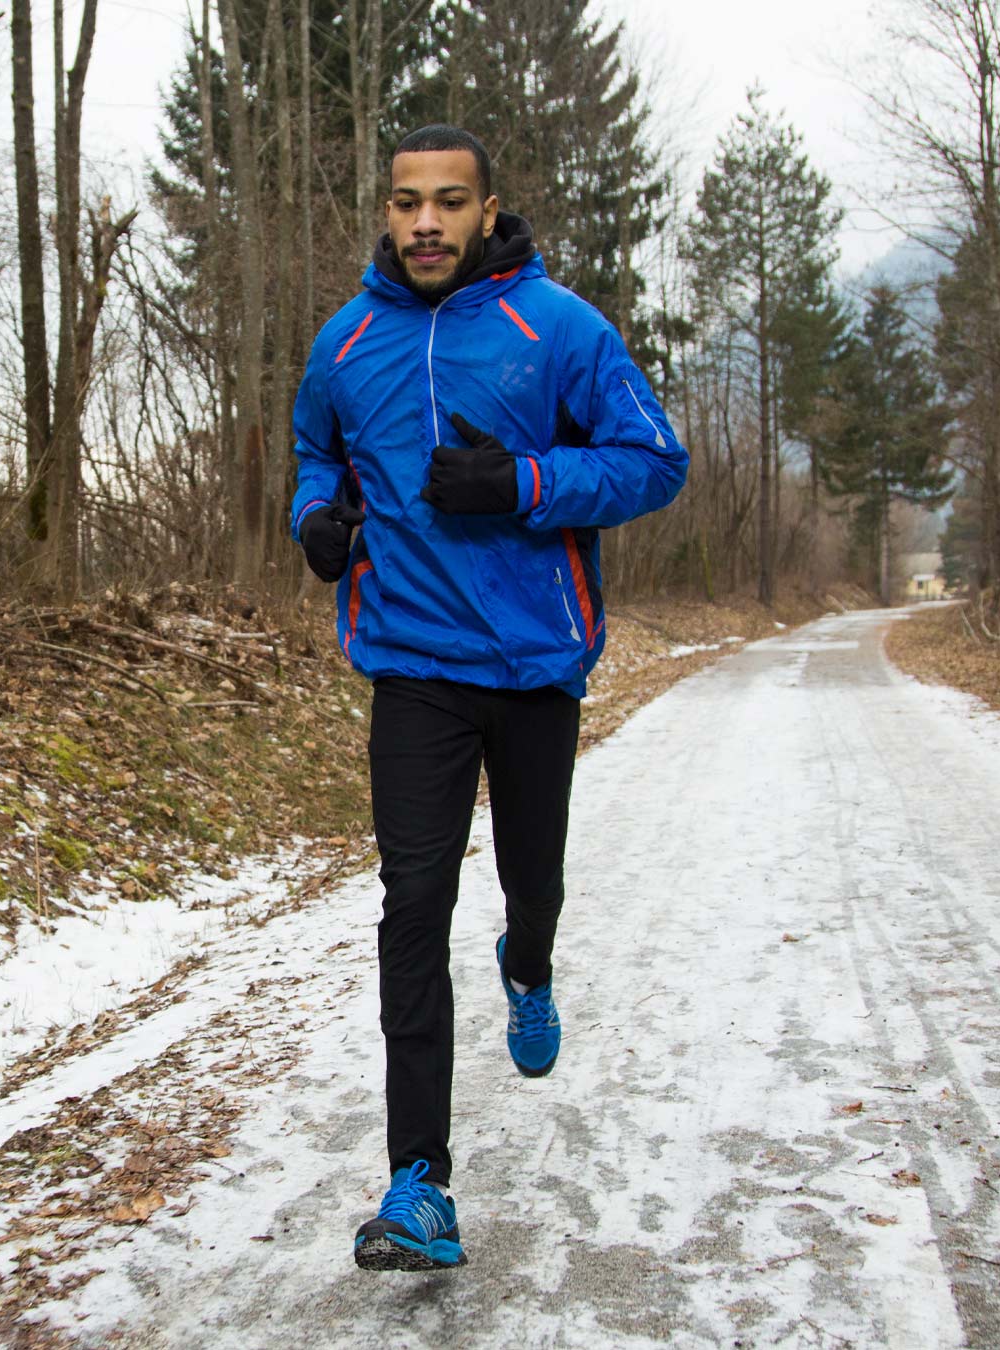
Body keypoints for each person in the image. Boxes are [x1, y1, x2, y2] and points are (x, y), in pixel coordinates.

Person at [289, 124, 689, 1272]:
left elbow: (655, 458)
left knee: (533, 879)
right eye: (408, 202)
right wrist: (317, 522)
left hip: (530, 666)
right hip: (411, 668)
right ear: (386, 210)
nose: (426, 223)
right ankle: (420, 1182)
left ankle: (530, 961)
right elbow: (319, 450)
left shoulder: (556, 328)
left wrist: (522, 483)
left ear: (486, 209)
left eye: (449, 203)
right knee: (411, 909)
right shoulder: (347, 339)